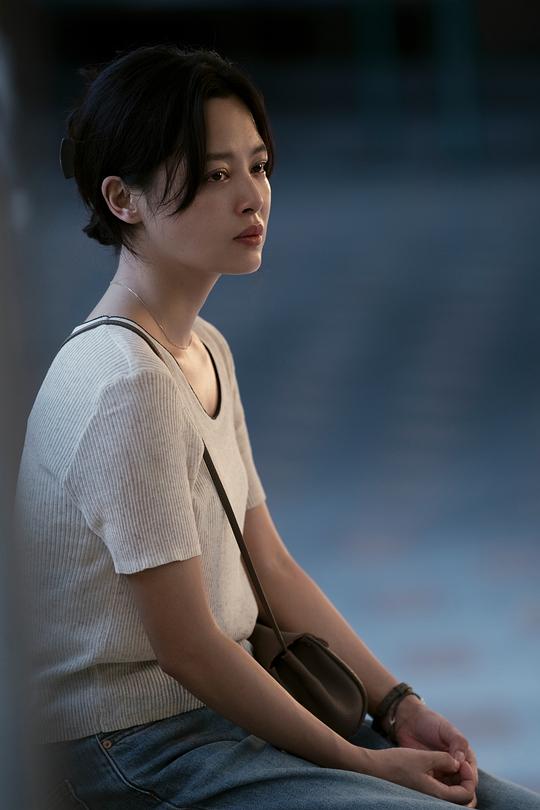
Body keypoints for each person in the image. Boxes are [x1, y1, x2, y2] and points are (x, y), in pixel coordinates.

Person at [13, 43, 539, 810]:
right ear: (123, 199)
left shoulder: (202, 348)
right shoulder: (126, 386)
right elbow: (188, 648)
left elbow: (272, 565)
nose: (251, 198)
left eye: (257, 167)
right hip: (134, 746)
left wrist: (397, 705)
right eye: (214, 175)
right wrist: (362, 765)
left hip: (228, 704)